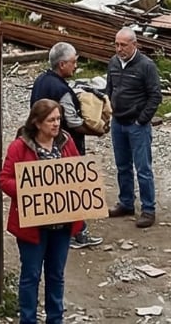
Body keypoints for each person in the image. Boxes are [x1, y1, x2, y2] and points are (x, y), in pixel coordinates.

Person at [2, 99, 83, 324]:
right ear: (37, 123)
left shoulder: (66, 143)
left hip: (62, 225)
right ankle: (28, 320)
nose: (56, 124)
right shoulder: (19, 147)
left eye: (58, 119)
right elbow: (4, 179)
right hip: (32, 226)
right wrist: (29, 191)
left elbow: (79, 173)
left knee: (56, 275)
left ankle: (55, 319)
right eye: (51, 120)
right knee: (31, 275)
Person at [31, 42, 102, 248]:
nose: (76, 66)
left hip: (42, 144)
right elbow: (73, 122)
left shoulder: (40, 80)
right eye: (73, 62)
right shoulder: (61, 89)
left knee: (50, 189)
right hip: (63, 146)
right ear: (62, 65)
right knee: (74, 189)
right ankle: (79, 233)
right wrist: (95, 131)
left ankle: (52, 229)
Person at [105, 26, 160, 228]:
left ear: (134, 45)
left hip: (137, 126)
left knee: (143, 168)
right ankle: (126, 203)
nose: (119, 49)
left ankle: (148, 209)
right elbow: (109, 89)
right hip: (117, 123)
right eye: (116, 44)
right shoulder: (112, 62)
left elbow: (155, 96)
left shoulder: (146, 66)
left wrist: (142, 120)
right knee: (122, 166)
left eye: (123, 45)